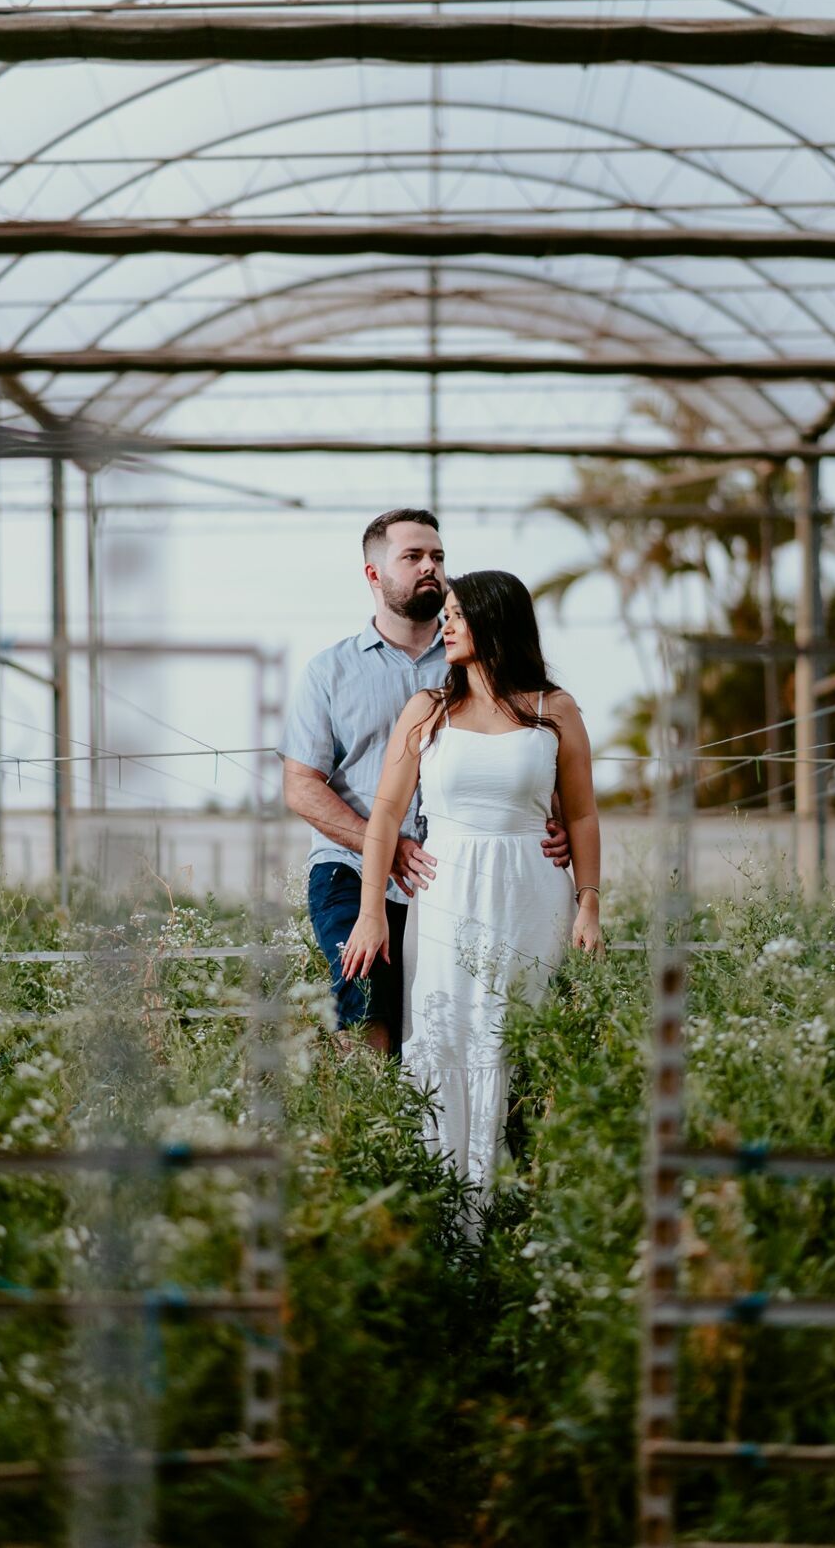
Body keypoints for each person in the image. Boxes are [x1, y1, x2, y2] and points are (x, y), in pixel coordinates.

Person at [340, 569, 601, 1202]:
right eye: (447, 615)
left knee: (523, 1039)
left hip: (532, 895)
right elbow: (385, 816)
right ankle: (449, 1207)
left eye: (459, 615)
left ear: (495, 621)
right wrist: (371, 911)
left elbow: (583, 814)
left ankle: (526, 1202)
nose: (447, 625)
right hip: (446, 898)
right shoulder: (427, 709)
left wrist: (589, 902)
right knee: (447, 1038)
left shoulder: (555, 709)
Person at [279, 511, 571, 1056]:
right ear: (374, 574)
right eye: (412, 557)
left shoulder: (477, 658)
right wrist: (384, 844)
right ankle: (375, 1106)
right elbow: (301, 787)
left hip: (458, 874)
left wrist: (554, 821)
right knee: (365, 996)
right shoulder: (328, 672)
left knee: (461, 1011)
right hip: (352, 868)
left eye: (437, 556)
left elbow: (530, 752)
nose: (430, 567)